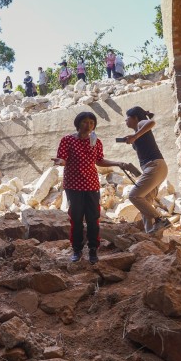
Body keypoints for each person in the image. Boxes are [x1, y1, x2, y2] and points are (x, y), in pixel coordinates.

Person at [53, 112, 129, 264]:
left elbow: (99, 161)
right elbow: (63, 159)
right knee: (76, 218)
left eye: (91, 123)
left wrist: (117, 163)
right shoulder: (67, 140)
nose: (88, 125)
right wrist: (60, 162)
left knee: (93, 218)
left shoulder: (96, 141)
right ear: (78, 123)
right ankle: (77, 250)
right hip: (73, 185)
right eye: (85, 122)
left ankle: (93, 249)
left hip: (91, 184)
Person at [122, 106, 170, 233]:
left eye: (127, 118)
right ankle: (152, 235)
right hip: (157, 167)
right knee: (146, 202)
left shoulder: (141, 123)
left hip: (155, 166)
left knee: (134, 196)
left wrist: (135, 136)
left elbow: (151, 122)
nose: (125, 121)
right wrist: (133, 138)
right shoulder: (138, 131)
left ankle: (160, 219)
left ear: (135, 118)